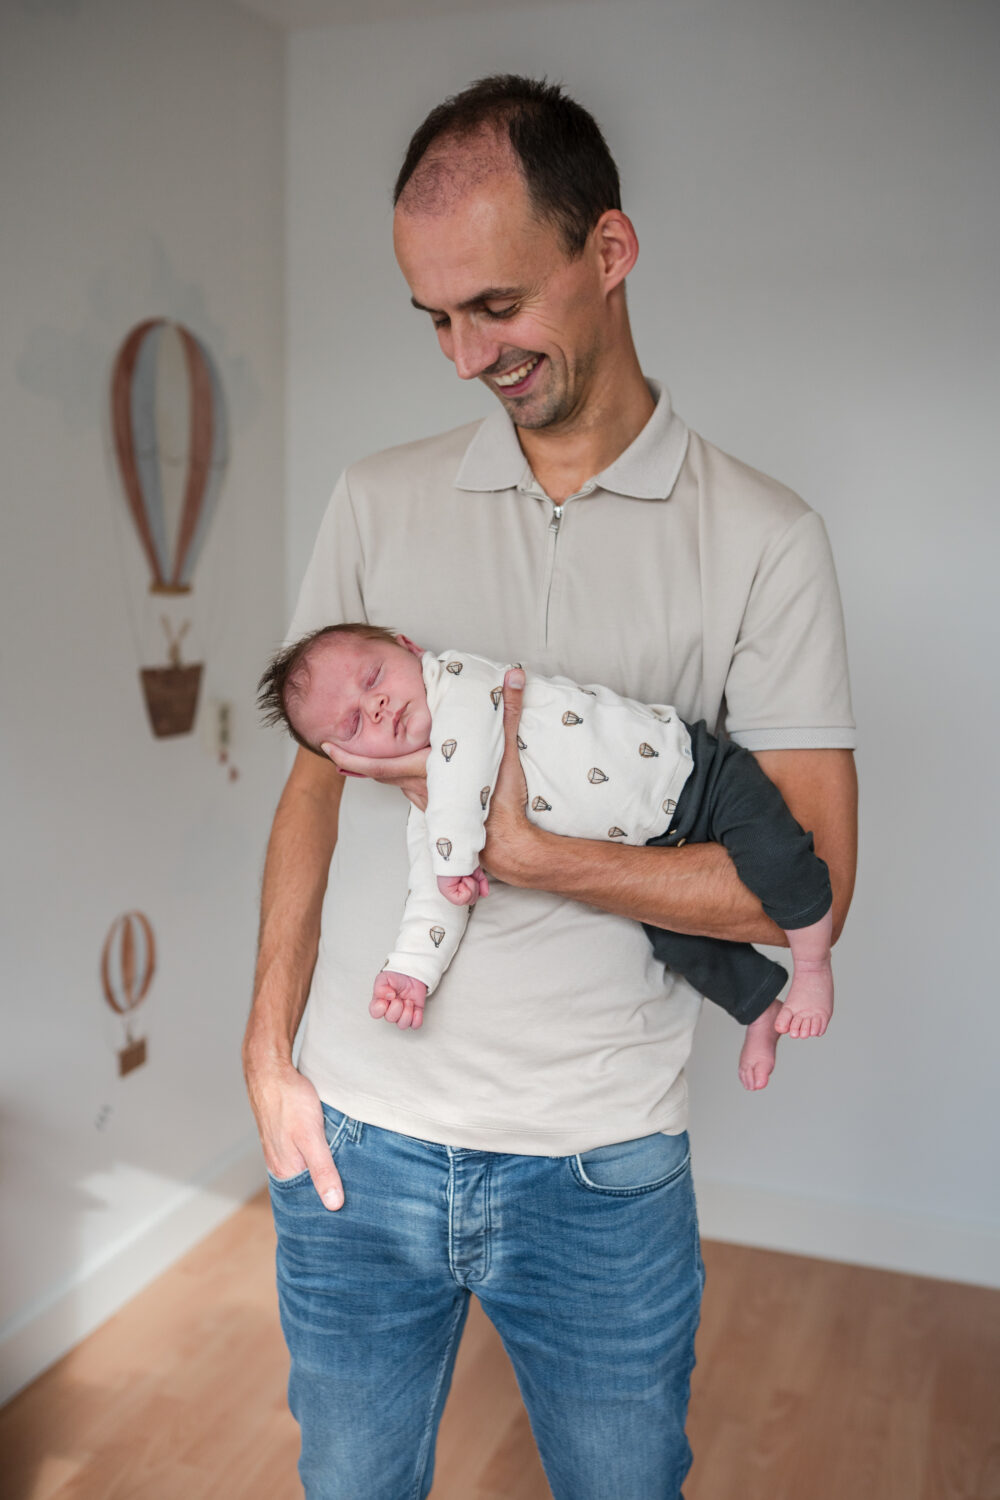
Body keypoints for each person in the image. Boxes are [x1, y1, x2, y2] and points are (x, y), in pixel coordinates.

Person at [242, 74, 857, 1500]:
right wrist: (267, 1057)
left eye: (497, 306)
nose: (466, 356)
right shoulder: (373, 500)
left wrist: (524, 853)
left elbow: (810, 883)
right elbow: (311, 798)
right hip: (352, 1144)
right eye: (434, 319)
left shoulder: (762, 540)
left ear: (610, 251)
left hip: (599, 1171)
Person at [257, 622, 836, 1091]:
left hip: (697, 775)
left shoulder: (460, 681)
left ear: (409, 648)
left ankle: (812, 967)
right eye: (355, 722)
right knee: (678, 940)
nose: (378, 705)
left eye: (373, 677)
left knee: (774, 856)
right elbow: (434, 887)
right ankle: (759, 1008)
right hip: (654, 846)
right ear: (351, 765)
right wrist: (412, 968)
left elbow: (459, 766)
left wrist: (456, 858)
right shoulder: (434, 804)